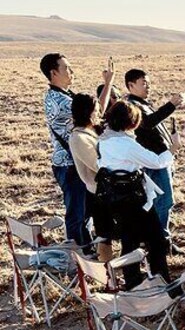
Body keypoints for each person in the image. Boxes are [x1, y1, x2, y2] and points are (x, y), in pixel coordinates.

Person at [97, 101, 173, 288]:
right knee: (155, 239)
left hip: (114, 197)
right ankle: (161, 280)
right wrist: (173, 150)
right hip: (134, 198)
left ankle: (132, 281)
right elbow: (156, 162)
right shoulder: (126, 144)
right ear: (131, 122)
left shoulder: (103, 139)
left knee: (129, 240)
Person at [124, 69, 185, 254]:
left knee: (160, 202)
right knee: (164, 201)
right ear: (130, 85)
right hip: (154, 163)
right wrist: (171, 105)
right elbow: (148, 123)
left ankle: (158, 239)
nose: (148, 87)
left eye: (148, 83)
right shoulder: (132, 106)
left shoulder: (142, 103)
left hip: (161, 159)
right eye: (143, 83)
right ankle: (160, 242)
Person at [41, 53, 88, 246]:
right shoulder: (61, 101)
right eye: (66, 68)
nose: (72, 71)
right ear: (53, 73)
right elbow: (95, 114)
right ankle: (76, 255)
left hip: (71, 162)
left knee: (82, 210)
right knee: (76, 212)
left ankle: (84, 248)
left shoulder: (62, 95)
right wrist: (108, 83)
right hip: (70, 164)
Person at [68, 94, 114, 261]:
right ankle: (107, 276)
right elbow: (98, 164)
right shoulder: (79, 138)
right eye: (96, 111)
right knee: (105, 236)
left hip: (105, 190)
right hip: (99, 192)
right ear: (87, 112)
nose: (99, 114)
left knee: (107, 235)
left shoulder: (90, 132)